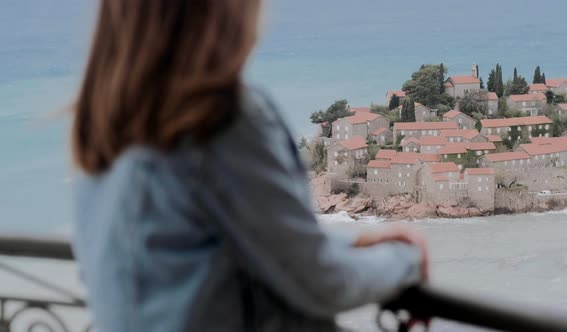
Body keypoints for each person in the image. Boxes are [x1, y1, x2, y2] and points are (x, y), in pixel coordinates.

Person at [70, 1, 429, 331]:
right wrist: (404, 259)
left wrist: (349, 246)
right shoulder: (218, 119)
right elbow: (319, 281)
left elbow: (226, 248)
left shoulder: (100, 126)